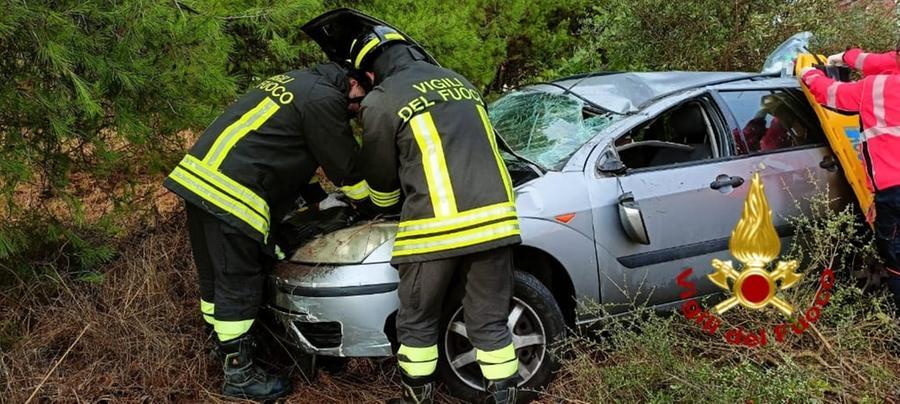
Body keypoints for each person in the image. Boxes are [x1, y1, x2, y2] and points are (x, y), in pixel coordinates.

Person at [163, 62, 370, 400]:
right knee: (240, 282)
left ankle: (224, 351)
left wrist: (319, 200)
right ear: (354, 82)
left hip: (200, 182)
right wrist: (371, 203)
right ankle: (239, 376)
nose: (358, 111)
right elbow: (346, 167)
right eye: (361, 101)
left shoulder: (299, 83)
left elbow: (285, 150)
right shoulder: (325, 98)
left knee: (215, 281)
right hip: (234, 192)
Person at [348, 26, 523, 403]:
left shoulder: (382, 99)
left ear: (371, 72)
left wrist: (379, 207)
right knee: (489, 321)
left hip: (434, 229)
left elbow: (381, 177)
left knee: (416, 320)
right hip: (497, 222)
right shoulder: (461, 83)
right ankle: (505, 396)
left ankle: (417, 397)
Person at [801, 40, 900, 309]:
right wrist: (846, 57)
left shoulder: (876, 88)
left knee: (897, 262)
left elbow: (831, 94)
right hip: (890, 192)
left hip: (894, 192)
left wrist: (809, 74)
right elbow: (876, 61)